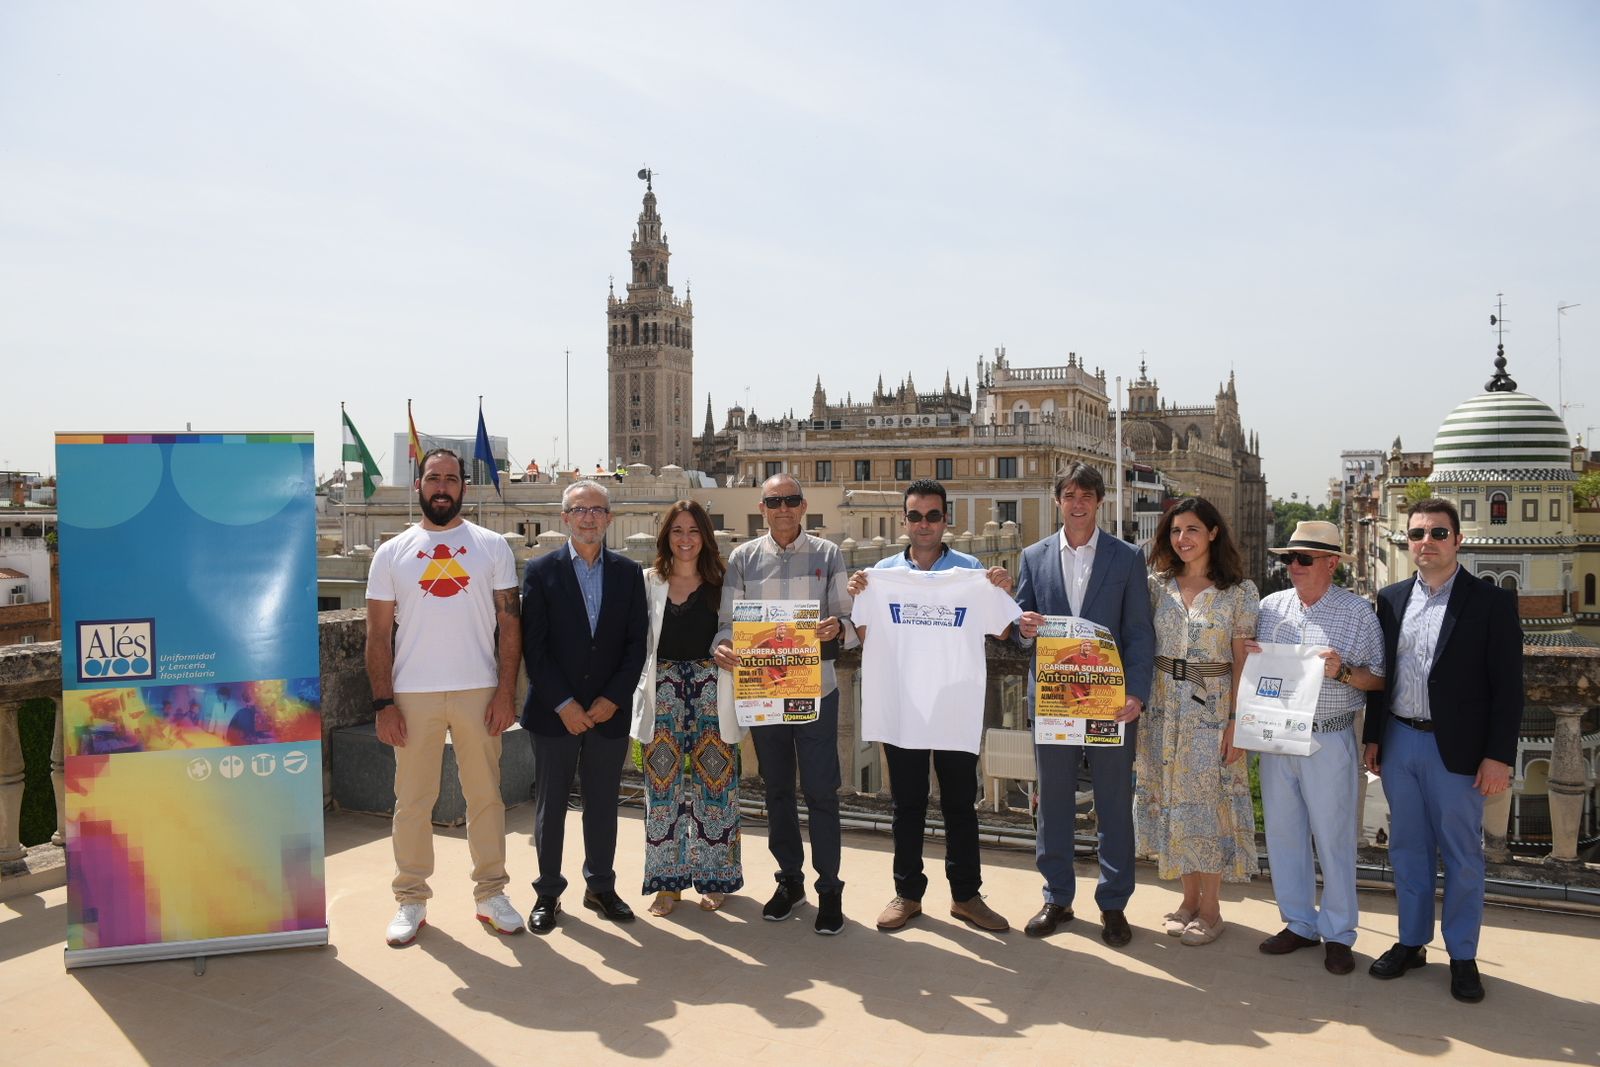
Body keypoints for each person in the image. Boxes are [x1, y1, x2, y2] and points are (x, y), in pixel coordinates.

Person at [1364, 498, 1522, 1003]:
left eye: (1436, 533)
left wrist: (1498, 756)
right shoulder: (1389, 600)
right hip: (1400, 739)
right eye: (1416, 534)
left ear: (1457, 540)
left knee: (1461, 857)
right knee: (1406, 850)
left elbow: (1508, 688)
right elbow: (1381, 680)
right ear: (1406, 542)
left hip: (1458, 752)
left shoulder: (1490, 602)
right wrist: (1374, 736)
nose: (1425, 542)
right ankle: (1411, 943)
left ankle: (1463, 955)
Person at [365, 448, 524, 946]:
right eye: (433, 478)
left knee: (486, 796)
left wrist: (505, 693)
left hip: (479, 690)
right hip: (412, 693)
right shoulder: (390, 553)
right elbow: (376, 637)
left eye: (451, 479)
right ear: (419, 484)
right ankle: (410, 899)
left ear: (463, 487)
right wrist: (383, 703)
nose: (442, 487)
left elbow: (509, 624)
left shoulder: (492, 546)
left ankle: (490, 893)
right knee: (412, 801)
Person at [846, 478, 1017, 934]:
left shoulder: (971, 571)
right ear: (904, 521)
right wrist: (859, 592)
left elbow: (1003, 632)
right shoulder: (880, 574)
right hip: (903, 707)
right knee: (908, 803)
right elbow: (865, 635)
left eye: (933, 515)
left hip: (954, 706)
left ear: (946, 520)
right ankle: (907, 894)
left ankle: (966, 896)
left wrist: (1001, 587)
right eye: (916, 516)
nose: (924, 524)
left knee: (961, 803)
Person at [1013, 463, 1155, 946]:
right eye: (1070, 495)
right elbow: (1017, 626)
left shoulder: (1127, 557)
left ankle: (1113, 904)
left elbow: (1139, 632)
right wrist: (1023, 627)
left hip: (1110, 704)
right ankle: (1057, 897)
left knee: (1114, 803)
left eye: (1087, 496)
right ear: (1058, 501)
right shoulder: (1033, 556)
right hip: (1055, 702)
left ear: (1099, 503)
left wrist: (1137, 692)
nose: (1078, 504)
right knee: (1052, 803)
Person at [713, 474, 855, 935]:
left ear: (803, 504)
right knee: (776, 792)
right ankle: (790, 881)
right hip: (764, 694)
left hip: (816, 692)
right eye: (775, 501)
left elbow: (849, 621)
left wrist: (838, 628)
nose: (784, 508)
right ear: (762, 507)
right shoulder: (742, 558)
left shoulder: (828, 553)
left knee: (821, 793)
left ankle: (829, 888)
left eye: (791, 500)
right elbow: (726, 624)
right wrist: (722, 647)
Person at [1252, 520, 1385, 976]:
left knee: (1334, 838)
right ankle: (1299, 923)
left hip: (1329, 735)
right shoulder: (1270, 607)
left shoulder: (1358, 614)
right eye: (1288, 558)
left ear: (1331, 564)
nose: (1293, 566)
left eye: (1303, 559)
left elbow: (1379, 678)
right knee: (1284, 836)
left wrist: (1344, 672)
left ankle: (1340, 932)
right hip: (1276, 737)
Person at [521, 479, 648, 933]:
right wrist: (564, 704)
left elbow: (637, 645)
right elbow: (534, 649)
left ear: (609, 519)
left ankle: (600, 886)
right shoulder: (540, 571)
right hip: (555, 715)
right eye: (580, 510)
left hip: (608, 714)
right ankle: (548, 893)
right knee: (550, 804)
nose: (589, 517)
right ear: (565, 518)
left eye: (597, 510)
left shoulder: (629, 573)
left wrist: (613, 699)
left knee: (602, 804)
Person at [1135, 497, 1260, 947]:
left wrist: (1236, 722)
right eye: (1174, 531)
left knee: (1211, 808)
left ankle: (1211, 909)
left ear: (1212, 533)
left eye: (1191, 529)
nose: (1182, 539)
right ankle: (1187, 901)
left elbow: (1243, 660)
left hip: (1212, 709)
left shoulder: (1239, 591)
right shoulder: (1157, 586)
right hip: (1163, 710)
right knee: (1174, 805)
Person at [629, 500, 744, 916]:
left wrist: (727, 642)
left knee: (717, 785)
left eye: (694, 531)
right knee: (661, 787)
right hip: (662, 691)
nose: (685, 539)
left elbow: (737, 625)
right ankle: (667, 883)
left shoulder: (723, 581)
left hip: (713, 688)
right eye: (677, 530)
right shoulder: (648, 581)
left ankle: (715, 878)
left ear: (705, 537)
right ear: (666, 537)